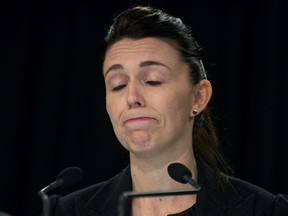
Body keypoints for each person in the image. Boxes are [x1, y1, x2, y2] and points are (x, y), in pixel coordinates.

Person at [49, 5, 288, 216]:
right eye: (117, 85)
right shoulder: (67, 211)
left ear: (198, 96)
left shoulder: (265, 210)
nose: (132, 98)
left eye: (153, 80)